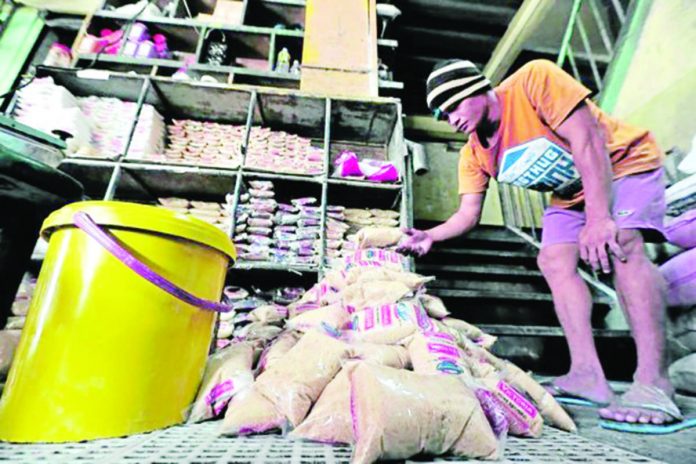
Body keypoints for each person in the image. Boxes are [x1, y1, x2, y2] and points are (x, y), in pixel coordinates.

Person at [398, 59, 682, 425]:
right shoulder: (474, 153)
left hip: (625, 164)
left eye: (453, 106)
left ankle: (654, 382)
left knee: (622, 244)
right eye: (442, 114)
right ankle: (586, 374)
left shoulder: (533, 80)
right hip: (569, 193)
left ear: (474, 89)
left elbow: (588, 138)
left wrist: (598, 219)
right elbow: (468, 215)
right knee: (552, 260)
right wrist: (429, 236)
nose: (450, 119)